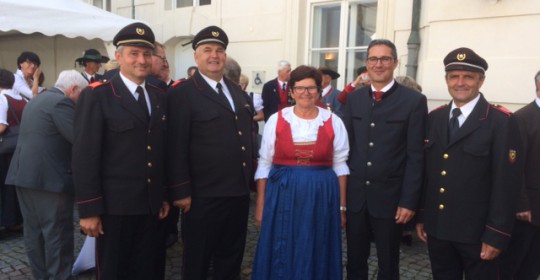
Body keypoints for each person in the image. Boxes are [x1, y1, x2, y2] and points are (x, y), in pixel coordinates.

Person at [72, 22, 169, 279]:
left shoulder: (159, 94)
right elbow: (85, 155)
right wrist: (89, 210)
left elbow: (159, 151)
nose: (141, 60)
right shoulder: (98, 95)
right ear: (118, 56)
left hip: (150, 206)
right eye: (134, 54)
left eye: (146, 54)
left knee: (149, 269)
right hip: (115, 209)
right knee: (115, 271)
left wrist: (163, 195)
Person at [416, 47, 522, 279]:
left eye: (468, 76)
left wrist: (496, 234)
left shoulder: (501, 122)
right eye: (454, 76)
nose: (460, 83)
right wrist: (423, 215)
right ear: (446, 80)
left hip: (478, 234)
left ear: (481, 80)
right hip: (439, 229)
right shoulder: (435, 118)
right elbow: (429, 174)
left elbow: (507, 184)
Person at [166, 25, 256, 280]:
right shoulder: (182, 93)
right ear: (196, 56)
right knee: (198, 260)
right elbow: (175, 145)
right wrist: (181, 190)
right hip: (202, 195)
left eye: (219, 50)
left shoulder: (237, 92)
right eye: (207, 50)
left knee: (231, 257)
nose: (214, 55)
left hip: (237, 193)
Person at [252, 65, 349, 279]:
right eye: (300, 88)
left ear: (319, 90)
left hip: (321, 196)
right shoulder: (276, 120)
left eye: (311, 88)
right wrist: (260, 204)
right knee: (282, 243)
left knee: (317, 243)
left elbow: (340, 166)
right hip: (282, 195)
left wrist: (342, 207)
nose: (306, 93)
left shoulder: (334, 121)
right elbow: (265, 164)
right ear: (292, 91)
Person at [342, 39, 427, 280]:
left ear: (395, 62)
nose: (378, 64)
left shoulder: (413, 101)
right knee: (355, 260)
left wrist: (409, 201)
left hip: (391, 199)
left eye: (385, 59)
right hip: (356, 196)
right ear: (366, 64)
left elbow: (415, 156)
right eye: (373, 59)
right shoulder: (355, 99)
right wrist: (341, 197)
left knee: (388, 263)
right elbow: (345, 149)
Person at [5, 69, 87, 280]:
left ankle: (42, 276)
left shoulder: (38, 99)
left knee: (34, 233)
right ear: (73, 89)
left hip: (24, 174)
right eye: (82, 95)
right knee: (56, 233)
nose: (82, 101)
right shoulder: (61, 103)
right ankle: (59, 276)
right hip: (49, 179)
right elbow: (79, 139)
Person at [499, 70, 540, 280]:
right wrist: (522, 204)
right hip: (528, 210)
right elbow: (513, 165)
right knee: (513, 263)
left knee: (533, 266)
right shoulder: (522, 118)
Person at [0, 68, 28, 231]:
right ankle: (17, 219)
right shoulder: (23, 98)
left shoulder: (2, 98)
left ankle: (7, 220)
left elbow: (2, 126)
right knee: (14, 185)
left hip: (4, 147)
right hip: (20, 146)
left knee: (4, 186)